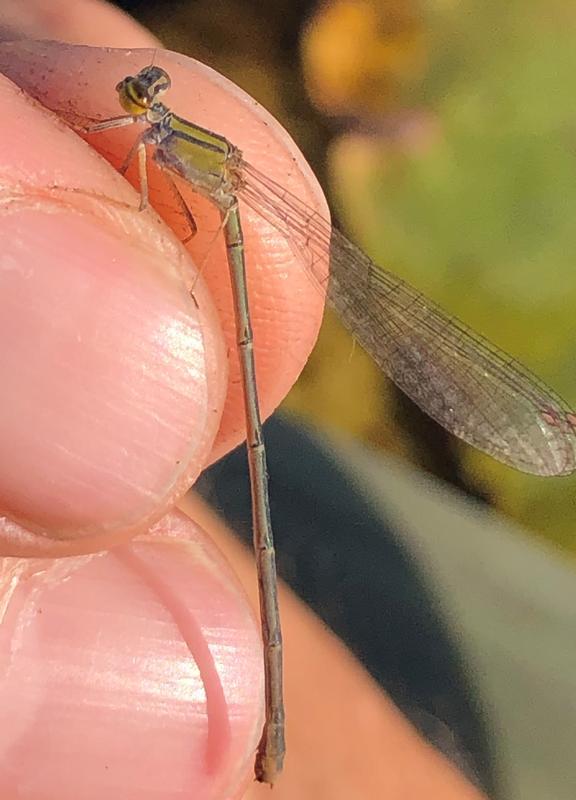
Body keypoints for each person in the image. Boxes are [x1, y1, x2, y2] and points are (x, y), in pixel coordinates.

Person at [0, 3, 488, 798]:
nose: (140, 101)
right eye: (142, 93)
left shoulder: (169, 145)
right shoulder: (163, 139)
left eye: (144, 95)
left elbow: (167, 193)